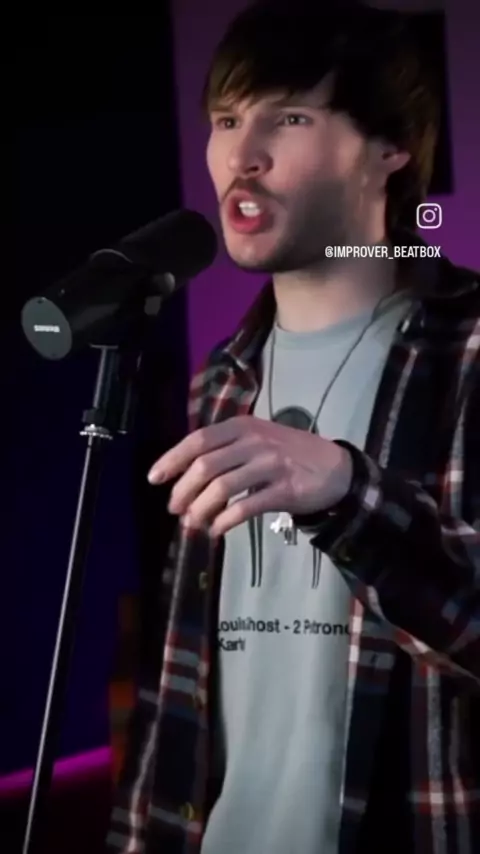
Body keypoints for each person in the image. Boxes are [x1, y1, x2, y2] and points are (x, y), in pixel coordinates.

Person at [107, 1, 480, 852]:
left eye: (290, 119)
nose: (242, 155)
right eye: (226, 120)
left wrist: (348, 490)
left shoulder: (468, 352)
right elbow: (177, 685)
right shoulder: (221, 380)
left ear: (390, 148)